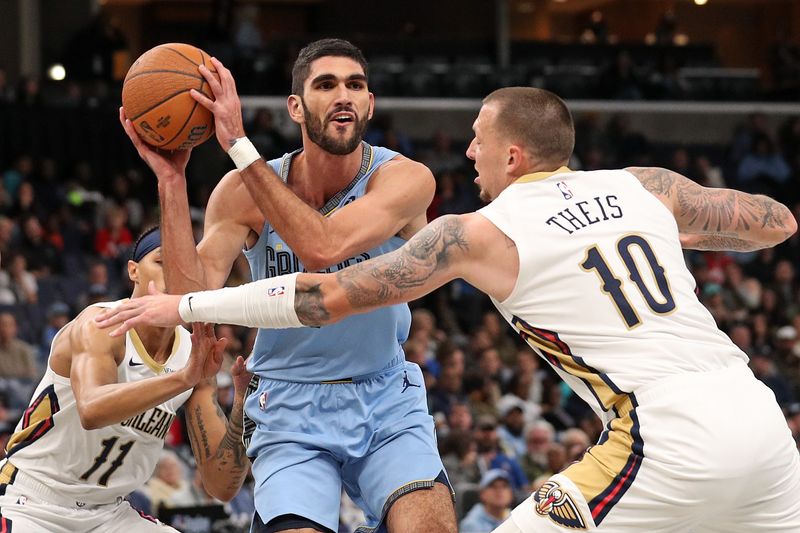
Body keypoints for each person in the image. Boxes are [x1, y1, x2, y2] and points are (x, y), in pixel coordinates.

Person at [102, 86, 800, 532]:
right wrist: (666, 224)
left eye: (479, 140)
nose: (469, 152)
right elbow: (774, 222)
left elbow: (323, 293)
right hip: (762, 422)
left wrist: (185, 299)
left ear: (515, 155)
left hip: (663, 437)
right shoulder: (645, 186)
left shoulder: (478, 231)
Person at [118, 39, 455, 533]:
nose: (344, 95)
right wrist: (172, 183)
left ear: (370, 103)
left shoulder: (404, 179)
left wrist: (237, 143)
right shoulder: (241, 192)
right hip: (287, 402)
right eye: (326, 85)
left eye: (355, 85)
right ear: (295, 106)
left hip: (384, 393)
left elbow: (324, 245)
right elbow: (192, 299)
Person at [0, 227, 250, 533]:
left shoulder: (193, 353)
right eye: (161, 263)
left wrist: (240, 405)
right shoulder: (102, 325)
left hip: (110, 514)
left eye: (185, 268)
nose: (174, 276)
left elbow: (222, 486)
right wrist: (184, 379)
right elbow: (92, 411)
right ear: (133, 271)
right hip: (33, 501)